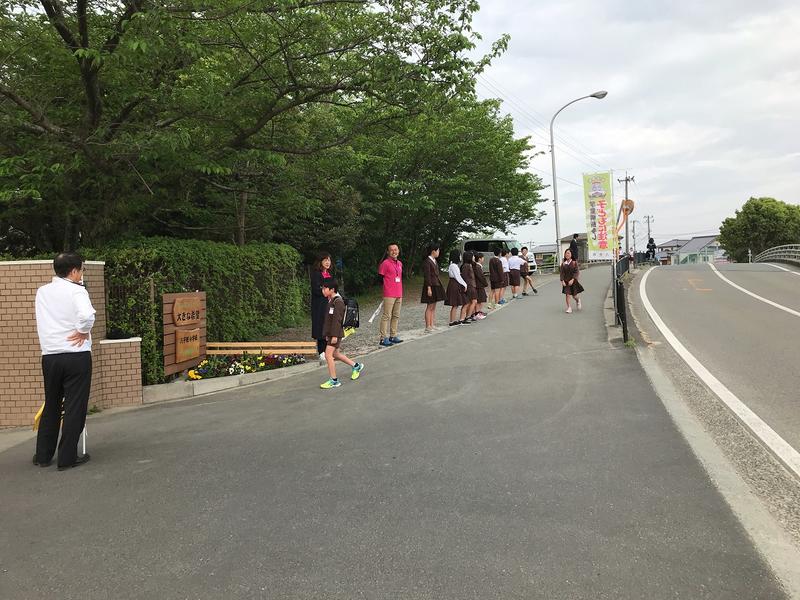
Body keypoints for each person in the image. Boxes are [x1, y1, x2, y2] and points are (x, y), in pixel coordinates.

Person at [33, 252, 96, 470]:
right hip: (76, 355)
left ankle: (43, 456)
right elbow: (87, 316)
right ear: (74, 271)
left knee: (51, 403)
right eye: (82, 269)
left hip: (50, 355)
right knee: (74, 405)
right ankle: (67, 457)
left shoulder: (42, 292)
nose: (82, 273)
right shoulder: (77, 291)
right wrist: (82, 331)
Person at [319, 279, 364, 389]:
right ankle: (356, 366)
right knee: (335, 354)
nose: (323, 291)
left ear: (332, 289)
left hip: (336, 333)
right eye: (322, 289)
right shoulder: (331, 301)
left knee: (328, 355)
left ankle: (334, 380)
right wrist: (327, 334)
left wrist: (334, 335)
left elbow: (337, 321)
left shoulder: (338, 302)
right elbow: (329, 320)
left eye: (325, 288)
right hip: (332, 333)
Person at [377, 243, 403, 347]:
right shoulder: (385, 263)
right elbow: (380, 278)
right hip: (389, 293)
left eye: (395, 249)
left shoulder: (400, 263)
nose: (394, 252)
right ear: (388, 252)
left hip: (399, 292)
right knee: (386, 315)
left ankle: (393, 335)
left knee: (396, 315)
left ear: (398, 251)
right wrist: (386, 288)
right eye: (391, 250)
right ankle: (383, 338)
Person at [310, 252, 334, 365]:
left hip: (329, 303)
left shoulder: (329, 274)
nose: (328, 262)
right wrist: (327, 291)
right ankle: (321, 352)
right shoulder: (316, 274)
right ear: (320, 262)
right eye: (325, 260)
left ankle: (329, 351)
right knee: (321, 327)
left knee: (329, 326)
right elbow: (316, 289)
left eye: (329, 260)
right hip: (319, 305)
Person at [421, 243, 446, 333]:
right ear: (433, 251)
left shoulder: (434, 260)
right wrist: (429, 288)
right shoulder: (427, 261)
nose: (439, 252)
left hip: (436, 284)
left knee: (434, 306)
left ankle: (432, 324)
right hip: (430, 285)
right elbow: (427, 276)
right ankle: (428, 326)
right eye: (438, 250)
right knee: (430, 306)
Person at [444, 249, 469, 326]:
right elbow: (457, 277)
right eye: (459, 255)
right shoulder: (453, 266)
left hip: (455, 284)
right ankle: (452, 321)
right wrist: (465, 284)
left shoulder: (454, 265)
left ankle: (453, 320)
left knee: (456, 304)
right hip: (454, 284)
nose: (460, 257)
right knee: (455, 304)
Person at [560, 249, 585, 314]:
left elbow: (576, 272)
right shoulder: (563, 264)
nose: (567, 254)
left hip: (573, 281)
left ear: (571, 255)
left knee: (574, 296)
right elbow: (562, 273)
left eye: (568, 253)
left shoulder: (574, 262)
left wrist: (573, 279)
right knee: (567, 294)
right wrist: (562, 281)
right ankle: (569, 307)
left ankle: (578, 300)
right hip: (566, 281)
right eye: (566, 253)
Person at [461, 251, 478, 322]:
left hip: (472, 285)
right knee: (472, 301)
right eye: (472, 256)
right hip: (469, 286)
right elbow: (464, 277)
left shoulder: (470, 265)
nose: (474, 257)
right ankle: (467, 316)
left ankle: (469, 315)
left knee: (473, 301)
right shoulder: (466, 266)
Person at [472, 253, 489, 319]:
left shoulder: (477, 266)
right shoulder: (477, 267)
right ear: (479, 259)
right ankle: (477, 313)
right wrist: (485, 283)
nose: (483, 259)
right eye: (483, 258)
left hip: (478, 285)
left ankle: (478, 312)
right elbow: (481, 277)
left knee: (480, 300)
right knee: (479, 300)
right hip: (479, 285)